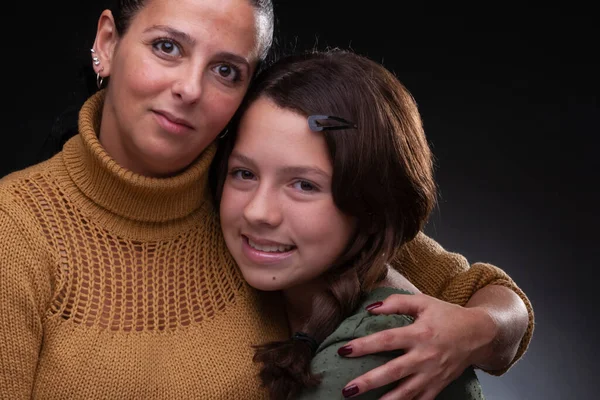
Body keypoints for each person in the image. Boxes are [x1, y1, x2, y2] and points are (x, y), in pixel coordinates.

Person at [0, 0, 532, 398]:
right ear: (109, 42)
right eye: (167, 47)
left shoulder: (250, 189)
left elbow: (492, 298)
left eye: (226, 70)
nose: (190, 87)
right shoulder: (17, 229)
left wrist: (473, 331)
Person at [213, 48, 491, 400]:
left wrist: (494, 323)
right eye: (244, 173)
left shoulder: (380, 347)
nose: (258, 211)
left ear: (370, 204)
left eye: (304, 185)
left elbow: (476, 285)